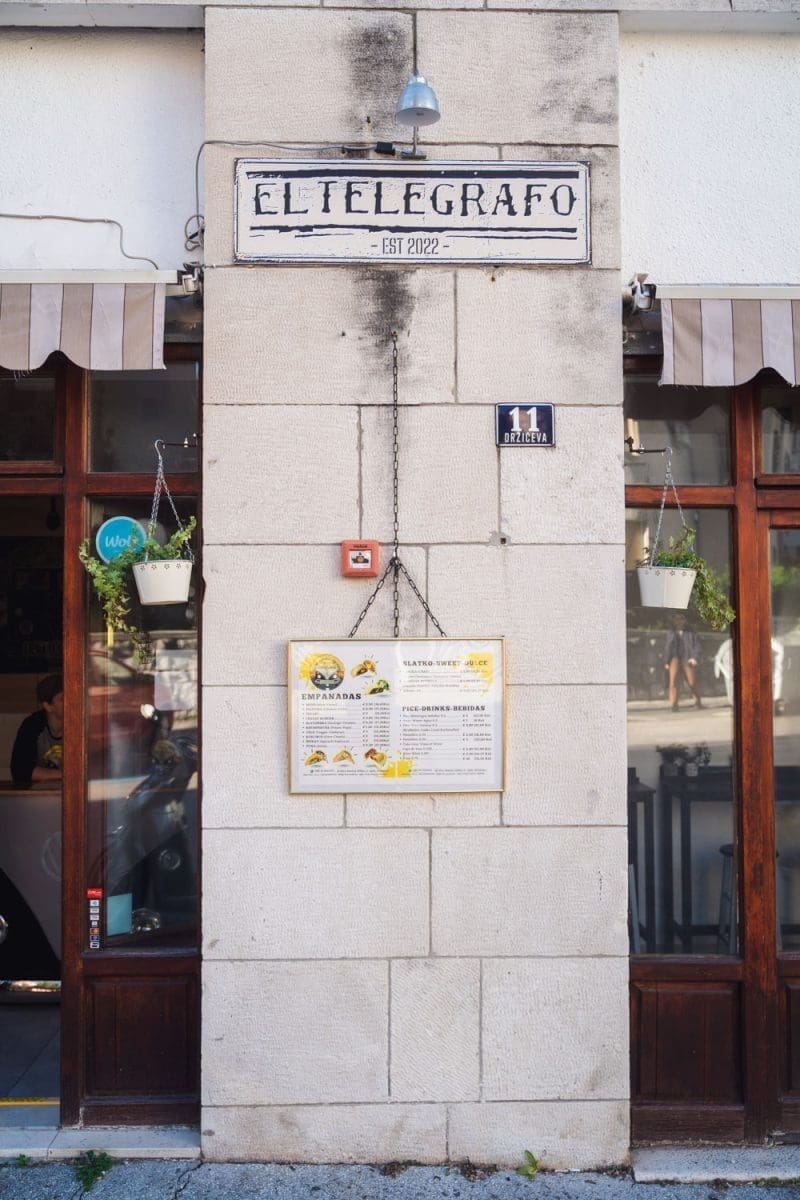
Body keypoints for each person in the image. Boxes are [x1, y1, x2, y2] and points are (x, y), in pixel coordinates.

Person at [10, 674, 63, 784]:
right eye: (63, 699)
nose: (72, 702)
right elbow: (20, 771)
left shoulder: (81, 724)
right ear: (48, 706)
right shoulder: (33, 725)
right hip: (39, 792)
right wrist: (66, 774)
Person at [664, 616, 702, 711]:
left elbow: (697, 645)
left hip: (687, 657)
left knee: (692, 682)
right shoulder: (671, 632)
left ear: (684, 620)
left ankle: (697, 702)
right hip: (674, 658)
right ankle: (674, 704)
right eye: (677, 619)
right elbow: (668, 647)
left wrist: (695, 658)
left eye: (681, 619)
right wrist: (667, 661)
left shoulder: (691, 631)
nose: (679, 621)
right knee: (673, 681)